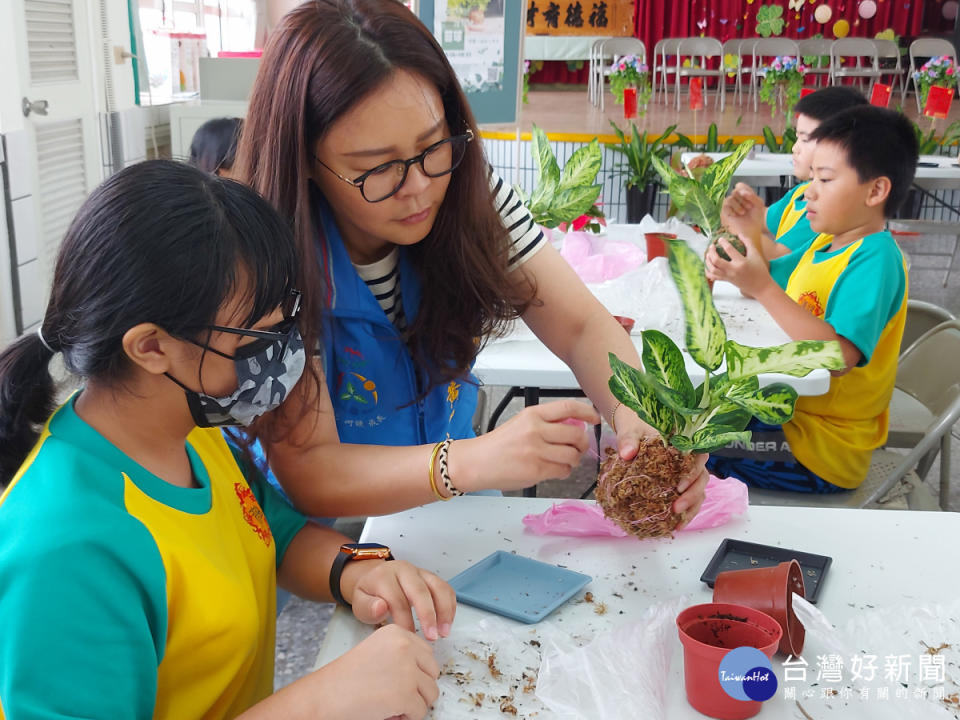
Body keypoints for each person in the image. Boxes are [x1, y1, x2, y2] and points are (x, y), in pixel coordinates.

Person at [0, 160, 455, 720]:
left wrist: (360, 568)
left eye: (285, 321)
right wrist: (317, 704)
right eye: (256, 336)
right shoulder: (68, 546)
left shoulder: (190, 431)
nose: (283, 352)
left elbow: (272, 536)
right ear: (150, 347)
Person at [232, 0, 708, 520]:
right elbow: (313, 472)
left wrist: (639, 414)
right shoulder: (263, 256)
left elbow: (579, 325)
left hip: (450, 509)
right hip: (323, 538)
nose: (419, 189)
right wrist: (466, 462)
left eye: (433, 146)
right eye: (379, 168)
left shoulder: (473, 195)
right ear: (303, 159)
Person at [704, 106, 918, 493]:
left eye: (825, 179)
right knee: (681, 415)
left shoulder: (876, 259)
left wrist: (763, 286)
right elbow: (763, 287)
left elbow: (837, 358)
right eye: (812, 177)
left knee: (687, 445)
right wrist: (748, 234)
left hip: (821, 448)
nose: (810, 191)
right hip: (792, 415)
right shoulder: (823, 243)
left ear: (875, 190)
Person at [721, 87, 868, 285]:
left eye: (805, 139)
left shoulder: (824, 213)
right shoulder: (799, 194)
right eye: (797, 137)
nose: (794, 148)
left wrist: (744, 229)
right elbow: (761, 217)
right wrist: (741, 208)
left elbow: (770, 265)